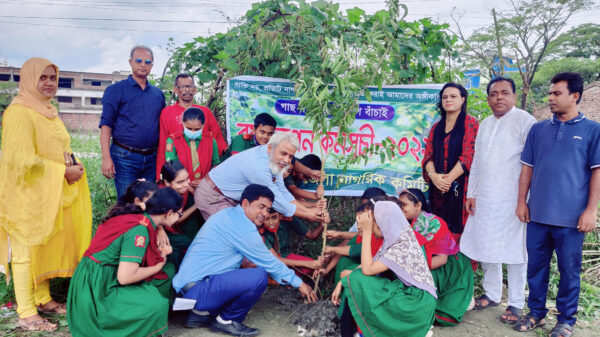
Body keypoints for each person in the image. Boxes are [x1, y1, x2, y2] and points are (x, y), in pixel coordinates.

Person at [0, 57, 92, 332]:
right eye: (43, 78)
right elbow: (21, 159)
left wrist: (72, 165)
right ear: (29, 80)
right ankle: (26, 312)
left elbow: (57, 149)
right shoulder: (19, 112)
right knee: (26, 251)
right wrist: (61, 173)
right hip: (25, 193)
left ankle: (42, 299)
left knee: (44, 244)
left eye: (53, 78)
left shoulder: (47, 111)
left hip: (47, 192)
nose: (50, 83)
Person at [513, 72, 600, 337]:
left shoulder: (592, 131)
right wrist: (522, 203)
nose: (550, 98)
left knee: (569, 271)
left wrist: (590, 210)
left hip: (572, 219)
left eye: (556, 93)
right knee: (536, 268)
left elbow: (597, 172)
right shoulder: (538, 130)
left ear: (575, 96)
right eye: (550, 93)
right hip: (538, 214)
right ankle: (537, 312)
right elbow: (527, 169)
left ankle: (566, 320)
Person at [173, 184, 317, 337]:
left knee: (247, 270)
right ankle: (227, 320)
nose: (264, 213)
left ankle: (200, 314)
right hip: (197, 290)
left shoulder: (229, 214)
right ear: (245, 203)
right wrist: (299, 283)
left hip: (190, 288)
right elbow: (269, 262)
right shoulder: (243, 228)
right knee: (258, 276)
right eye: (261, 207)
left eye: (268, 209)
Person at [459, 77, 536, 321]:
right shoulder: (485, 123)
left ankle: (515, 302)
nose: (498, 98)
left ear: (514, 96)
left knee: (515, 251)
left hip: (515, 200)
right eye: (493, 94)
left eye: (504, 93)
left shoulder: (526, 121)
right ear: (488, 98)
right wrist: (472, 193)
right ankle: (492, 294)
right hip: (486, 198)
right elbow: (478, 161)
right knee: (485, 245)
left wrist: (524, 200)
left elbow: (531, 163)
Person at [67, 188, 182, 337]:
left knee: (165, 275)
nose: (180, 217)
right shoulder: (139, 230)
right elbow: (125, 277)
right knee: (157, 304)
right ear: (169, 213)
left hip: (93, 277)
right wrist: (158, 265)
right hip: (98, 290)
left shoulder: (137, 216)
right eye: (179, 213)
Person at [331, 200, 436, 337]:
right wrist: (342, 281)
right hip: (413, 297)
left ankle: (362, 331)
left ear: (382, 224)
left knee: (358, 279)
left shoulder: (401, 244)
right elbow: (372, 263)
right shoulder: (398, 236)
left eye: (373, 223)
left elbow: (367, 270)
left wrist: (367, 232)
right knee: (356, 277)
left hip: (417, 303)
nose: (371, 227)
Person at [194, 132, 323, 222]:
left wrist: (309, 210)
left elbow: (282, 191)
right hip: (213, 196)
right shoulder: (258, 166)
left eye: (290, 156)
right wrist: (308, 214)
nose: (286, 160)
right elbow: (276, 199)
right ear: (270, 148)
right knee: (234, 238)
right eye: (283, 153)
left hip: (228, 197)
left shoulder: (273, 160)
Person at [399, 188, 474, 326]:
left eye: (404, 204)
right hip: (427, 261)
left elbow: (442, 259)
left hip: (451, 267)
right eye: (399, 205)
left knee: (419, 282)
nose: (401, 208)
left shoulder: (434, 223)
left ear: (418, 205)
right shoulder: (406, 223)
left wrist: (413, 270)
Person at [100, 45, 166, 198]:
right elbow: (106, 125)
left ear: (152, 65)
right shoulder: (116, 90)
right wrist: (106, 157)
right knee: (127, 203)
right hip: (124, 157)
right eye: (139, 60)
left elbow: (162, 126)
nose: (143, 64)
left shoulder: (157, 94)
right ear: (130, 62)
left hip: (151, 158)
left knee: (149, 203)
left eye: (147, 62)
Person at [422, 83, 479, 240]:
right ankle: (441, 263)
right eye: (445, 97)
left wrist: (446, 181)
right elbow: (428, 156)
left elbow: (469, 156)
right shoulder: (436, 128)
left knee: (461, 233)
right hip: (437, 189)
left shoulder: (470, 123)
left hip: (462, 189)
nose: (448, 100)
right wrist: (434, 177)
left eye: (453, 96)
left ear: (462, 99)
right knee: (438, 232)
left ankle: (460, 264)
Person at [157, 73, 227, 178]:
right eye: (183, 87)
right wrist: (161, 175)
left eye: (190, 86)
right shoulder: (167, 113)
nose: (187, 90)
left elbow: (217, 138)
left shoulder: (205, 112)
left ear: (195, 89)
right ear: (175, 89)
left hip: (204, 172)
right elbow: (163, 144)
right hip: (178, 173)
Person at [158, 160, 200, 269]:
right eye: (180, 182)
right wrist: (160, 229)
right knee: (181, 249)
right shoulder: (162, 196)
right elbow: (176, 219)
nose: (186, 184)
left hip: (170, 228)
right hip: (159, 231)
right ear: (167, 182)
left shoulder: (180, 189)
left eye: (187, 179)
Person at [259, 208, 325, 277]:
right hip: (269, 262)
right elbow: (275, 260)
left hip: (286, 256)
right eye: (266, 219)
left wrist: (322, 225)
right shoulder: (260, 232)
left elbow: (312, 235)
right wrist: (307, 263)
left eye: (274, 217)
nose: (271, 222)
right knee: (309, 265)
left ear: (280, 216)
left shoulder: (288, 219)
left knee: (311, 268)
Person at [164, 107, 219, 186]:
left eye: (197, 129)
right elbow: (171, 169)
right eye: (189, 128)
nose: (193, 132)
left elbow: (215, 166)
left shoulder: (211, 141)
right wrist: (187, 185)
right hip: (181, 187)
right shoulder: (173, 140)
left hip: (205, 186)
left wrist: (205, 182)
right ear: (183, 123)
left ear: (203, 125)